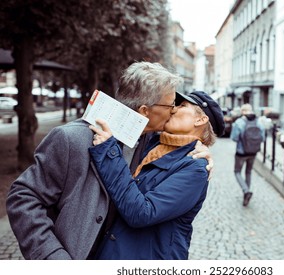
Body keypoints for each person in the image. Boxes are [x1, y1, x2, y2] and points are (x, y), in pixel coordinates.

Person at [6, 62, 212, 260]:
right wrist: (52, 257)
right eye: (170, 104)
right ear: (144, 111)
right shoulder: (71, 139)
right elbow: (23, 197)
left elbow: (179, 154)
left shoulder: (151, 143)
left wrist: (201, 150)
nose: (173, 110)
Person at [88, 91, 225, 259]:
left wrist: (109, 153)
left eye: (182, 106)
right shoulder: (152, 142)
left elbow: (142, 213)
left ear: (200, 120)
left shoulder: (195, 168)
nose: (173, 110)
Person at [230, 103, 265, 207]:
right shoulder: (258, 121)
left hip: (241, 152)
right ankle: (247, 194)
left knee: (237, 172)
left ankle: (246, 191)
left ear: (242, 112)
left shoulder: (239, 122)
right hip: (253, 152)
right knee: (248, 172)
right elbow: (262, 138)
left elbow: (234, 138)